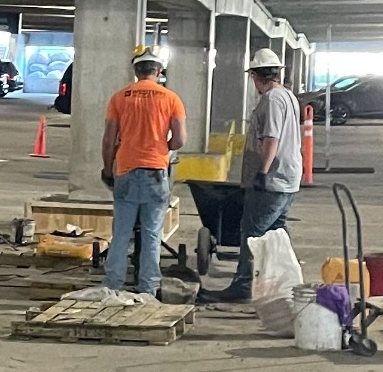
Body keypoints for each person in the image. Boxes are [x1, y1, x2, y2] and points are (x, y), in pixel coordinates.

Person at [204, 47, 302, 304]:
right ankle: (284, 282)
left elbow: (271, 139)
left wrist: (262, 172)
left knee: (252, 233)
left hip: (273, 179)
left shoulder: (271, 100)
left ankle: (244, 286)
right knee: (277, 231)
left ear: (256, 76)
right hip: (288, 178)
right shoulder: (288, 96)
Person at [100, 51, 187, 298]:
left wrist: (108, 169)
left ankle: (112, 286)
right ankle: (148, 289)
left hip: (126, 172)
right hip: (155, 173)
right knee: (151, 234)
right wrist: (163, 148)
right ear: (158, 72)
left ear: (136, 72)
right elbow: (179, 139)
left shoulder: (119, 98)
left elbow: (108, 139)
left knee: (121, 234)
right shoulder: (171, 98)